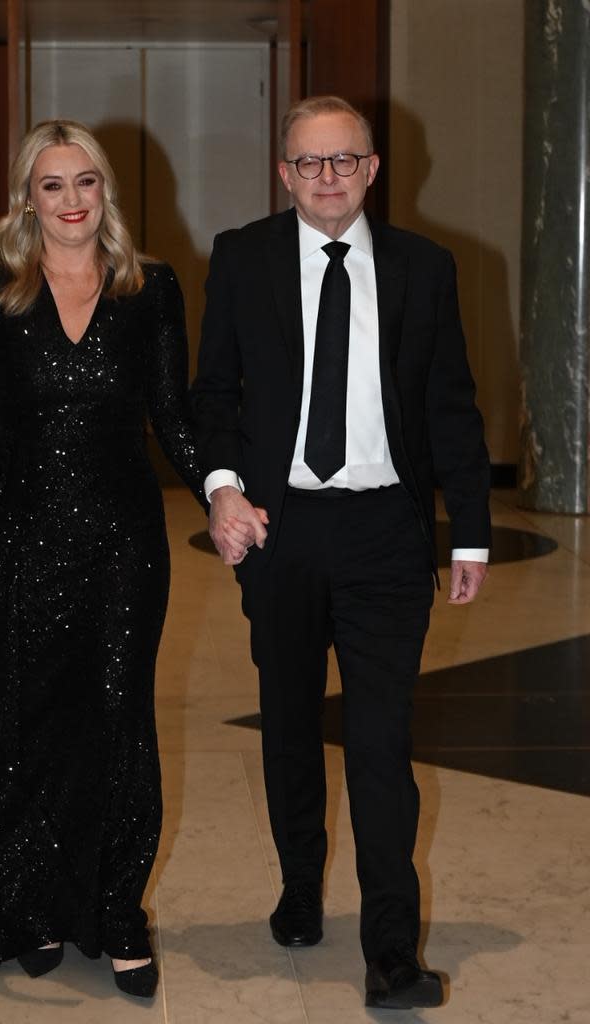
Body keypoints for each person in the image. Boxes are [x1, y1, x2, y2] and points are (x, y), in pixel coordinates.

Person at [191, 96, 490, 1010]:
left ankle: (391, 949)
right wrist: (223, 488)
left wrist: (468, 530)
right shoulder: (241, 258)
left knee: (378, 740)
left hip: (385, 535)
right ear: (284, 173)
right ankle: (298, 885)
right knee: (287, 727)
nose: (327, 177)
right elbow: (213, 395)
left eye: (345, 161)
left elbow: (450, 405)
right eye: (309, 163)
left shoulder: (423, 268)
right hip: (279, 533)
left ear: (371, 169)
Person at [0, 119, 203, 997]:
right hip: (20, 533)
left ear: (105, 192)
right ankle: (31, 906)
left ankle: (116, 914)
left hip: (123, 539)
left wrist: (222, 491)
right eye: (52, 185)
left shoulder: (151, 290)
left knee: (116, 717)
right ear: (27, 198)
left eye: (86, 183)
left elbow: (174, 416)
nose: (72, 202)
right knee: (24, 721)